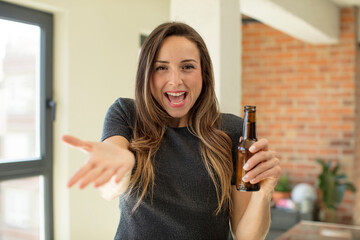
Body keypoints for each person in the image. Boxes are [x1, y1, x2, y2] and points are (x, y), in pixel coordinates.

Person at [62, 22, 281, 240]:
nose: (175, 80)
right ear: (146, 75)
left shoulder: (232, 131)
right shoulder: (126, 114)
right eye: (161, 67)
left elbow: (247, 236)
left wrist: (264, 192)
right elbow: (112, 187)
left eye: (187, 66)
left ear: (203, 74)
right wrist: (121, 163)